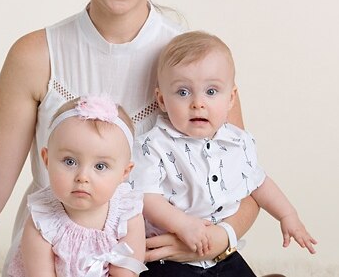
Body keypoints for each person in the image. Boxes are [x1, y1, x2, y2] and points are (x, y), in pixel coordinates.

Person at [0, 0, 261, 275]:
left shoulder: (194, 63)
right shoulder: (35, 55)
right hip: (52, 259)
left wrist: (219, 237)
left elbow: (244, 183)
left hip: (157, 260)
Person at [130, 31, 317, 276]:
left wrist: (287, 214)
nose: (198, 103)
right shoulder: (153, 145)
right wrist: (183, 225)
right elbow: (146, 197)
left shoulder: (236, 141)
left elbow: (258, 183)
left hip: (221, 253)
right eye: (183, 92)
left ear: (230, 99)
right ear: (162, 100)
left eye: (211, 92)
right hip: (168, 257)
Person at [6, 95, 147, 277]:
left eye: (100, 166)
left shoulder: (127, 213)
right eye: (70, 161)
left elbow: (126, 272)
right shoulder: (42, 222)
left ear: (124, 173)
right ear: (47, 160)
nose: (82, 177)